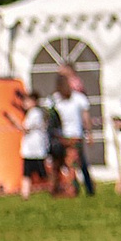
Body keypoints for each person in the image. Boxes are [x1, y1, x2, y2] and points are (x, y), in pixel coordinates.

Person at [50, 67, 94, 195]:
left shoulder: (56, 99)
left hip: (63, 136)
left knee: (69, 164)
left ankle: (72, 189)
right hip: (74, 135)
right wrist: (89, 133)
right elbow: (85, 118)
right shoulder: (77, 98)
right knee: (75, 163)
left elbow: (50, 118)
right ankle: (84, 188)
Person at [18, 95, 50, 197]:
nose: (25, 103)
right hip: (30, 150)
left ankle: (52, 188)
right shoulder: (30, 113)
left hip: (35, 149)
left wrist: (13, 120)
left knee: (42, 173)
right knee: (26, 172)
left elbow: (26, 128)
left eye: (27, 101)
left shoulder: (35, 113)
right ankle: (25, 194)